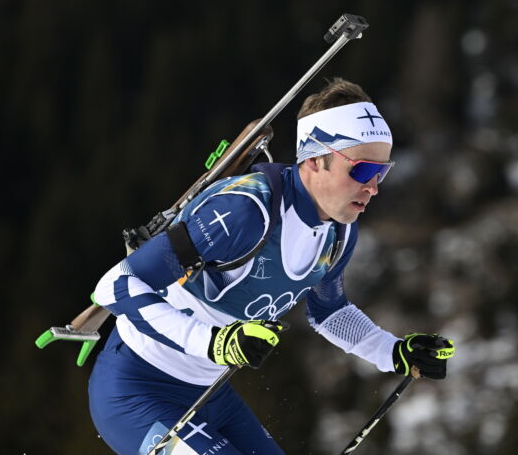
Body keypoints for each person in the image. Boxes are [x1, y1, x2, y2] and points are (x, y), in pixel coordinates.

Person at [88, 78, 455, 455]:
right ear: (314, 159)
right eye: (362, 171)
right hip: (136, 392)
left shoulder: (340, 233)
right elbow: (115, 284)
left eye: (382, 172)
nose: (373, 187)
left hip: (211, 395)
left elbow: (329, 312)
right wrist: (213, 342)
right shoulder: (246, 212)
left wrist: (394, 352)